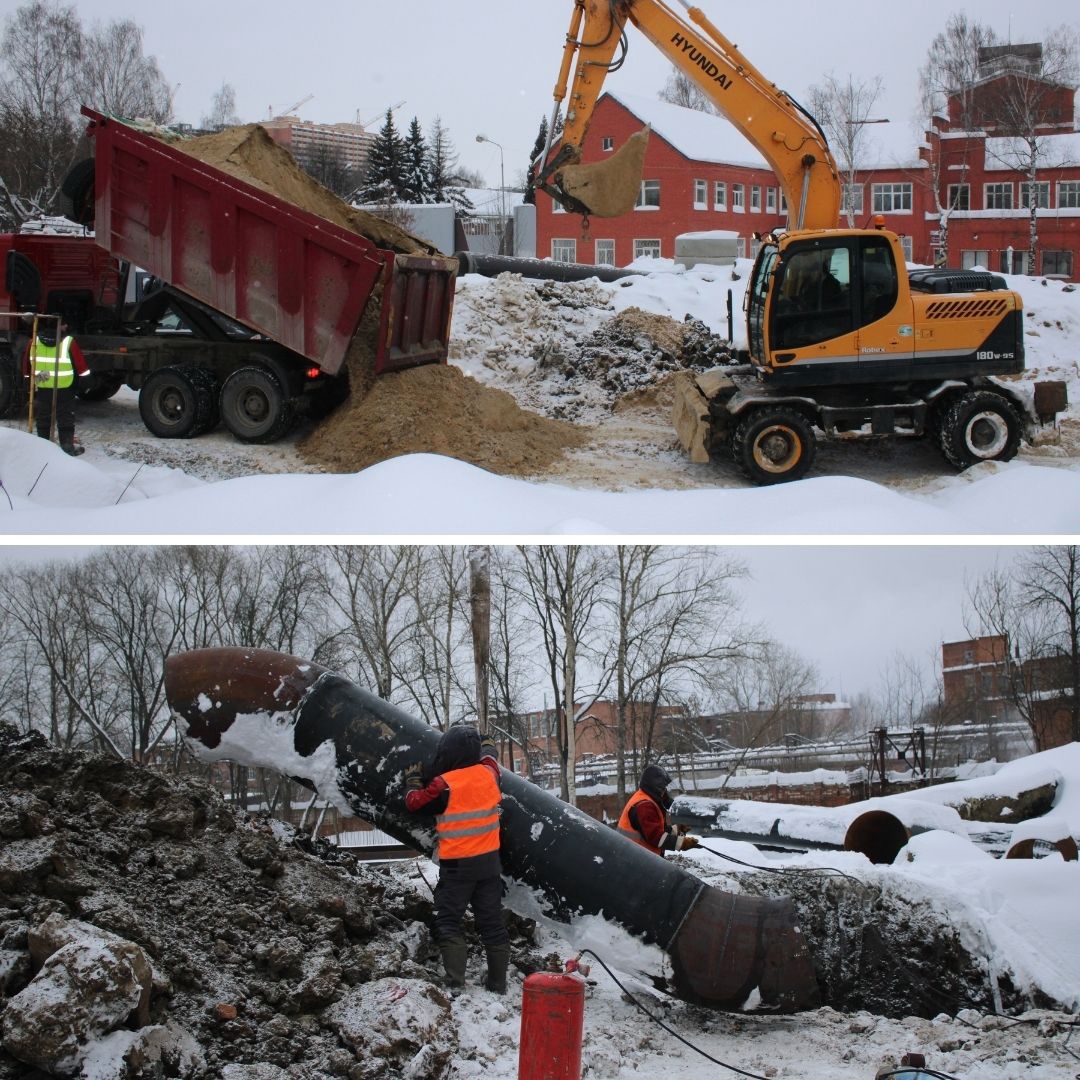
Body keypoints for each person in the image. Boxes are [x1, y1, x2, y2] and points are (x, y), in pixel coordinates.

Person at [404, 725, 511, 994]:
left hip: (457, 869)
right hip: (489, 865)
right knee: (492, 924)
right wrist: (487, 744)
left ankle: (455, 984)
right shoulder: (489, 774)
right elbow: (490, 758)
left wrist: (413, 781)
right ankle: (498, 984)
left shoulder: (444, 784)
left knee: (448, 921)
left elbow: (415, 803)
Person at [23, 318, 90, 455]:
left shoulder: (33, 342)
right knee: (65, 416)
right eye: (64, 324)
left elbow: (26, 366)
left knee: (43, 416)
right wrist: (85, 382)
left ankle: (43, 446)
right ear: (60, 327)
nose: (66, 327)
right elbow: (81, 367)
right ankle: (66, 447)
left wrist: (29, 380)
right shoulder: (68, 342)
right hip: (65, 387)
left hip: (43, 386)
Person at [617, 764, 699, 857]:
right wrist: (683, 843)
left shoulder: (647, 798)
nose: (666, 792)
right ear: (656, 787)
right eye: (664, 789)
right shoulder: (645, 806)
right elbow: (656, 837)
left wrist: (678, 830)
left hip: (638, 856)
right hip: (634, 859)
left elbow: (657, 830)